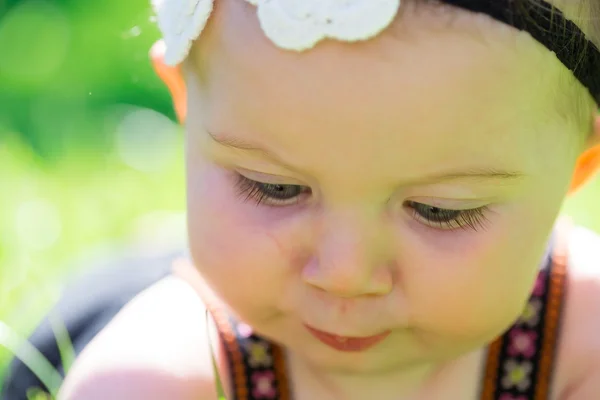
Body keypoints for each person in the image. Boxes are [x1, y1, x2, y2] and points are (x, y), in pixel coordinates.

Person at [50, 0, 600, 398]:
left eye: (440, 211)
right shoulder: (156, 374)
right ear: (187, 102)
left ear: (578, 166)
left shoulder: (581, 345)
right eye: (275, 187)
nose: (344, 273)